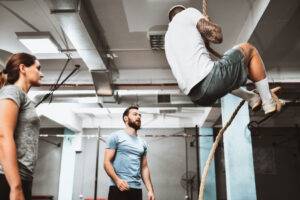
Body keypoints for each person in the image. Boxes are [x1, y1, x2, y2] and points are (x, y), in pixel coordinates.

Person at [164, 5, 283, 114]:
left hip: (197, 97)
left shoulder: (168, 39)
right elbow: (217, 37)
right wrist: (206, 21)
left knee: (223, 75)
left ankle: (251, 98)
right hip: (210, 81)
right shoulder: (188, 13)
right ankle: (268, 103)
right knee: (249, 49)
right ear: (181, 12)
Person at [0, 53, 43, 200]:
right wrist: (15, 187)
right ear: (23, 68)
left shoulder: (23, 97)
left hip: (22, 177)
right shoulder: (12, 91)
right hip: (7, 179)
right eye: (38, 68)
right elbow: (3, 135)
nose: (41, 74)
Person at [104, 105, 155, 200]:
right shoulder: (115, 136)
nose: (139, 117)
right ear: (126, 118)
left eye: (140, 115)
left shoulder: (143, 143)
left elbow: (144, 168)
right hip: (119, 188)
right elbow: (107, 162)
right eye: (135, 114)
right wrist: (117, 181)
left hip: (136, 189)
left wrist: (150, 190)